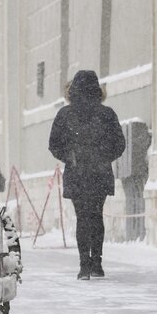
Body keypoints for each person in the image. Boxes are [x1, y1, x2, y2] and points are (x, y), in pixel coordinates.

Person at [49, 70, 126, 280]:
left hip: (76, 173)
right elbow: (120, 144)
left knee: (82, 217)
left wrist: (70, 157)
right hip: (100, 174)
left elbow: (53, 144)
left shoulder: (65, 114)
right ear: (97, 88)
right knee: (96, 215)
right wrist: (103, 157)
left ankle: (84, 264)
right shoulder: (107, 114)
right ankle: (97, 262)